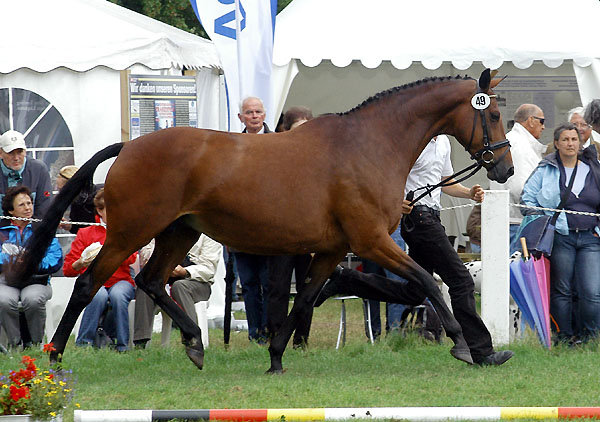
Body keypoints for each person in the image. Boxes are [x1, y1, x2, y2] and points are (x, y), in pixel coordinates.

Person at [316, 135, 513, 366]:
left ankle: (347, 280)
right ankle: (481, 352)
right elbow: (378, 177)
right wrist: (394, 200)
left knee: (415, 292)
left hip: (431, 216)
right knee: (461, 282)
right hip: (419, 218)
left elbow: (444, 180)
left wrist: (468, 193)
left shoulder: (443, 143)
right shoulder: (411, 141)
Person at [520, 122, 600, 344]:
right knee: (561, 290)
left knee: (592, 291)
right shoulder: (545, 169)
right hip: (560, 237)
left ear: (580, 142)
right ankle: (564, 337)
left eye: (574, 139)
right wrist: (545, 222)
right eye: (565, 139)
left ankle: (591, 338)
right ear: (556, 144)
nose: (570, 143)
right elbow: (527, 198)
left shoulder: (594, 168)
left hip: (590, 237)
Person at [63, 188, 137, 352]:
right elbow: (68, 269)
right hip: (95, 281)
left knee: (118, 296)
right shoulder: (85, 233)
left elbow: (132, 258)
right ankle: (84, 344)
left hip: (121, 280)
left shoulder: (125, 231)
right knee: (98, 295)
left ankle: (122, 345)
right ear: (99, 210)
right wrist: (82, 262)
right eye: (109, 209)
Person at [266, 106, 314, 348]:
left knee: (307, 288)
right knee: (278, 287)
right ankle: (276, 334)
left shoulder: (319, 159)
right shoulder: (277, 156)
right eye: (298, 129)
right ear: (286, 130)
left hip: (309, 235)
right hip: (282, 232)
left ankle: (301, 339)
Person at [133, 234, 222, 349]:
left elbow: (208, 268)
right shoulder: (165, 225)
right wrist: (157, 260)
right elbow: (147, 249)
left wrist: (185, 271)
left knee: (180, 287)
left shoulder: (208, 234)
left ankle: (192, 339)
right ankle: (140, 342)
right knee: (145, 286)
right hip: (163, 275)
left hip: (196, 281)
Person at [0, 186, 62, 349]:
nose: (28, 208)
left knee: (33, 299)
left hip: (37, 280)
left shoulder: (43, 228)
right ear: (11, 211)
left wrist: (31, 264)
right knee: (4, 300)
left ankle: (35, 344)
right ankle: (15, 345)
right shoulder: (1, 230)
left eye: (29, 203)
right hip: (7, 281)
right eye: (22, 205)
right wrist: (11, 260)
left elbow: (55, 258)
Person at [232, 96, 272, 343]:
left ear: (264, 115)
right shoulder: (232, 145)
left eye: (258, 111)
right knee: (248, 284)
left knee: (270, 284)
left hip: (269, 226)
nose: (254, 116)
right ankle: (254, 332)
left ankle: (270, 329)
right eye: (249, 112)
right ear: (241, 118)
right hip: (241, 226)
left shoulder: (278, 142)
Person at [489, 104, 547, 253]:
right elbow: (520, 188)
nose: (544, 127)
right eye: (542, 121)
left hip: (507, 219)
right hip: (517, 222)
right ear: (531, 120)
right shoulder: (520, 146)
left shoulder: (511, 141)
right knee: (517, 272)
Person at [0, 130, 52, 221]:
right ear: (1, 153)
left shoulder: (39, 169)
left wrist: (32, 231)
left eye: (20, 152)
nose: (16, 158)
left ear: (25, 151)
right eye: (11, 153)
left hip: (32, 230)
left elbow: (45, 206)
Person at [55, 165, 102, 234]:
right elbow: (81, 230)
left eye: (62, 190)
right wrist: (70, 226)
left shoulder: (101, 195)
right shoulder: (76, 203)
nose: (60, 193)